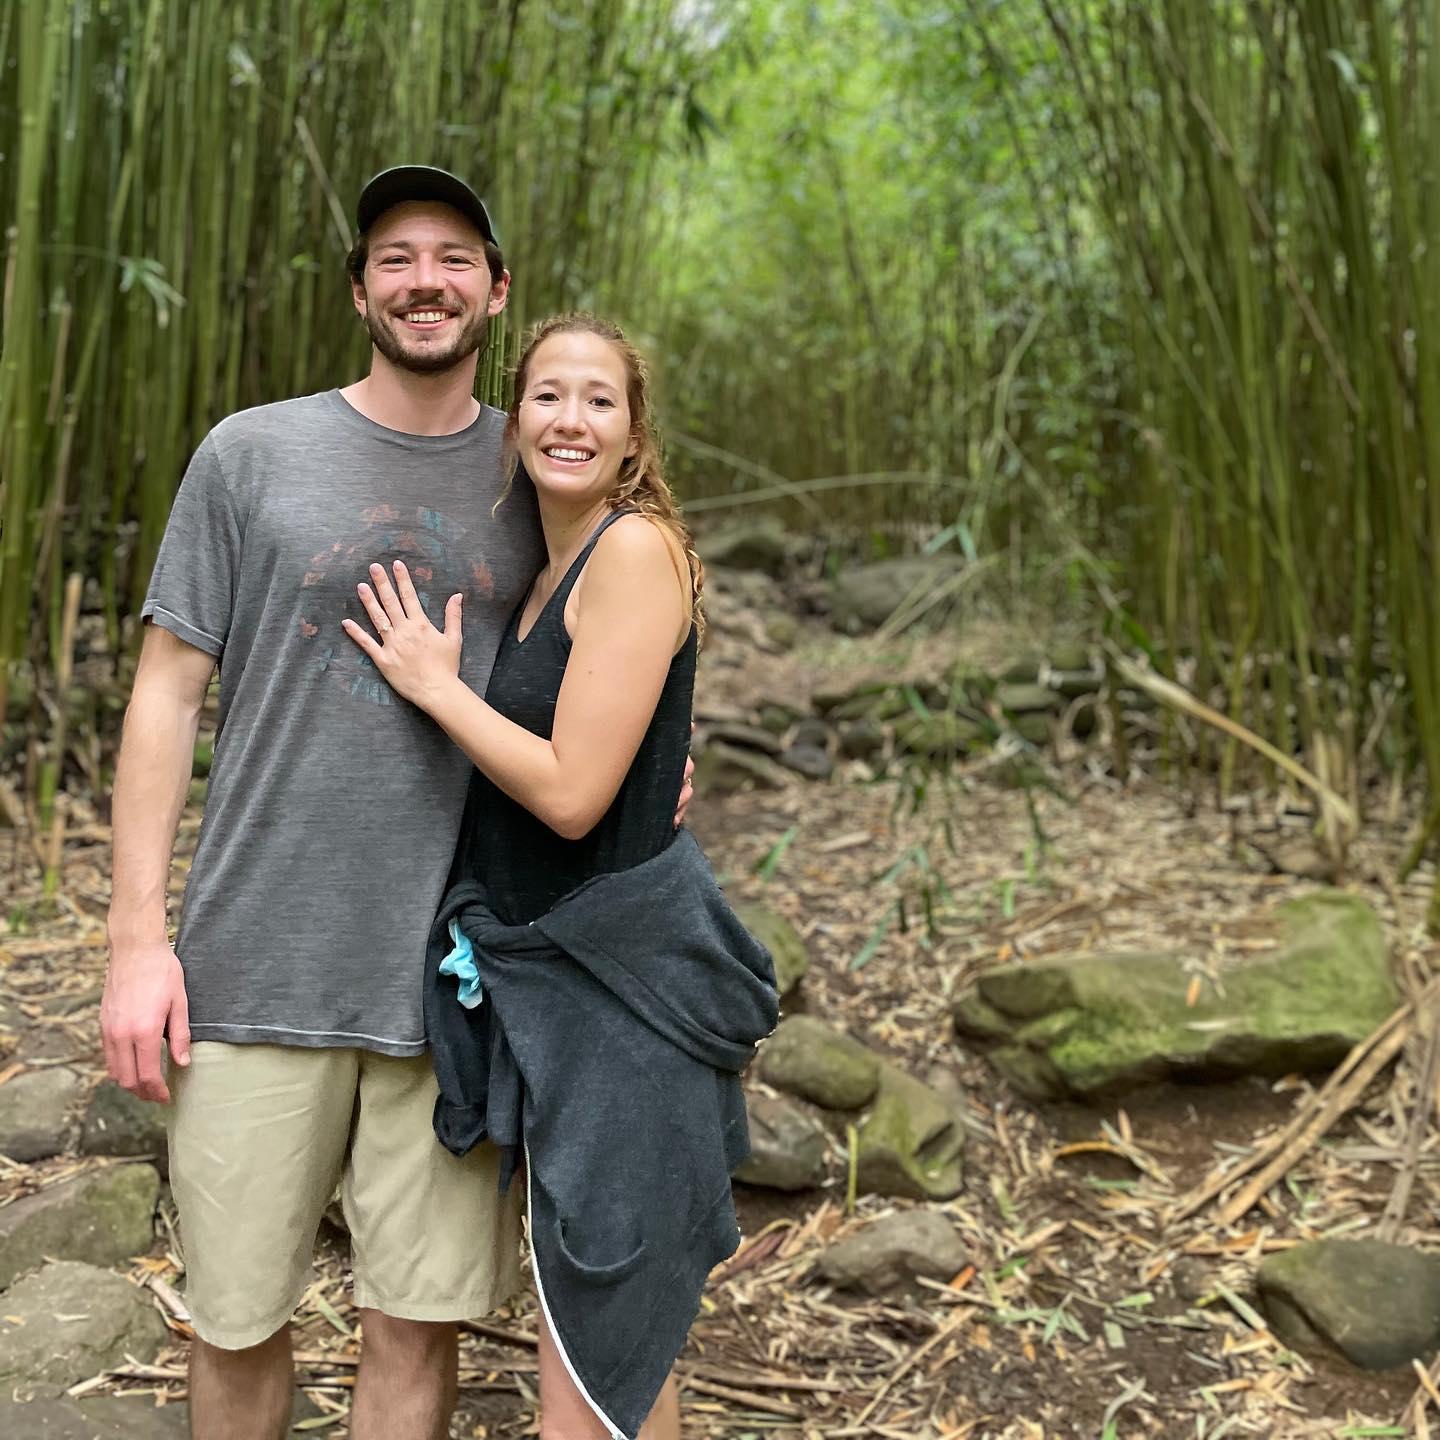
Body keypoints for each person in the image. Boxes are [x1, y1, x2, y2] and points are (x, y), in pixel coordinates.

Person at [100, 167, 691, 1440]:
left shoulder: (540, 458)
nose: (426, 280)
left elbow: (623, 637)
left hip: (457, 980)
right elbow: (162, 698)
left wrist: (657, 765)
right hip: (256, 963)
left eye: (455, 256)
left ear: (496, 288)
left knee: (414, 1334)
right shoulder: (249, 453)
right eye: (397, 258)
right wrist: (136, 943)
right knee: (238, 1322)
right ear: (360, 288)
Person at [341, 313, 778, 1440]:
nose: (569, 418)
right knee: (603, 1343)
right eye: (546, 395)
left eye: (598, 399)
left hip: (623, 1001)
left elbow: (575, 793)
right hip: (560, 992)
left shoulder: (629, 550)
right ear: (513, 419)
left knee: (593, 1356)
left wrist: (439, 687)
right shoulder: (546, 570)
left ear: (634, 438)